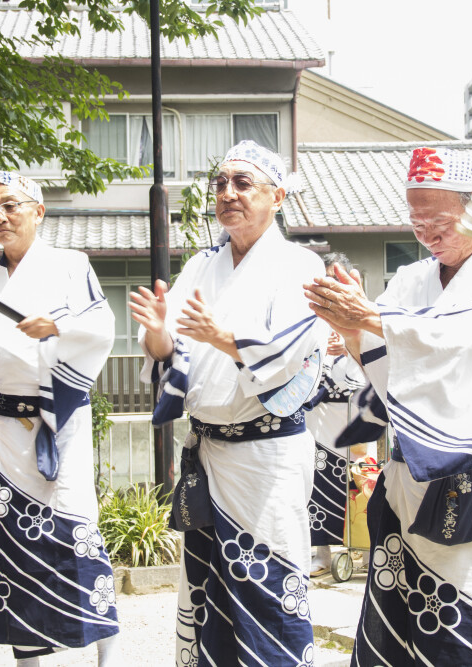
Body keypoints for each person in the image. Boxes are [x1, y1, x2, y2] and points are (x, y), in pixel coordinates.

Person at [305, 146, 472, 665]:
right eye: (416, 221)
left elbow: (458, 340)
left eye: (439, 220)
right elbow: (388, 371)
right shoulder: (410, 281)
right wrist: (352, 329)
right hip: (407, 477)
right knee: (398, 629)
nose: (426, 233)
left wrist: (372, 320)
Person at [129, 140, 328, 666]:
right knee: (205, 588)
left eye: (243, 183)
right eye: (221, 184)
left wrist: (223, 337)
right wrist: (155, 333)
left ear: (277, 196)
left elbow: (289, 353)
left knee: (267, 586)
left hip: (267, 457)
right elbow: (166, 350)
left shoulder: (300, 264)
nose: (228, 194)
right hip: (210, 450)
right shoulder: (199, 265)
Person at [0, 171, 119, 666]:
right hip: (2, 431)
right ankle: (29, 659)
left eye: (10, 205)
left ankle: (106, 654)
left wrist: (59, 326)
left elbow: (101, 326)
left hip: (60, 426)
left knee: (77, 535)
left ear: (39, 210)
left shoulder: (70, 266)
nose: (0, 217)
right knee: (12, 545)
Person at [305, 252, 372, 577]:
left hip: (356, 415)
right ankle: (323, 553)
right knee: (320, 483)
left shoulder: (365, 313)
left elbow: (374, 363)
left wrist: (346, 345)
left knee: (362, 483)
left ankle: (368, 550)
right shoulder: (309, 318)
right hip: (320, 417)